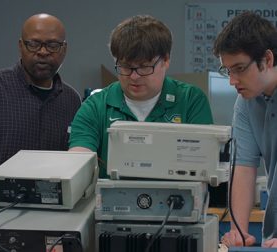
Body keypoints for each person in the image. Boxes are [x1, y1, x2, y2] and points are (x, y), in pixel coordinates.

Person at [69, 14, 213, 178]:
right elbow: (79, 158)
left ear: (165, 60)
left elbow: (203, 164)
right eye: (126, 67)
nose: (134, 76)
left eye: (144, 67)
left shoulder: (190, 100)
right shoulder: (96, 105)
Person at [0, 13, 81, 208]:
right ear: (20, 46)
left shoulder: (71, 101)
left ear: (64, 49)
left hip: (50, 218)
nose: (42, 52)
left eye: (52, 45)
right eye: (33, 44)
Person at [213, 11, 277, 248]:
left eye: (239, 68)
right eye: (227, 70)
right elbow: (243, 167)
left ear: (267, 59)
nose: (232, 81)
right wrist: (237, 230)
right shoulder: (246, 103)